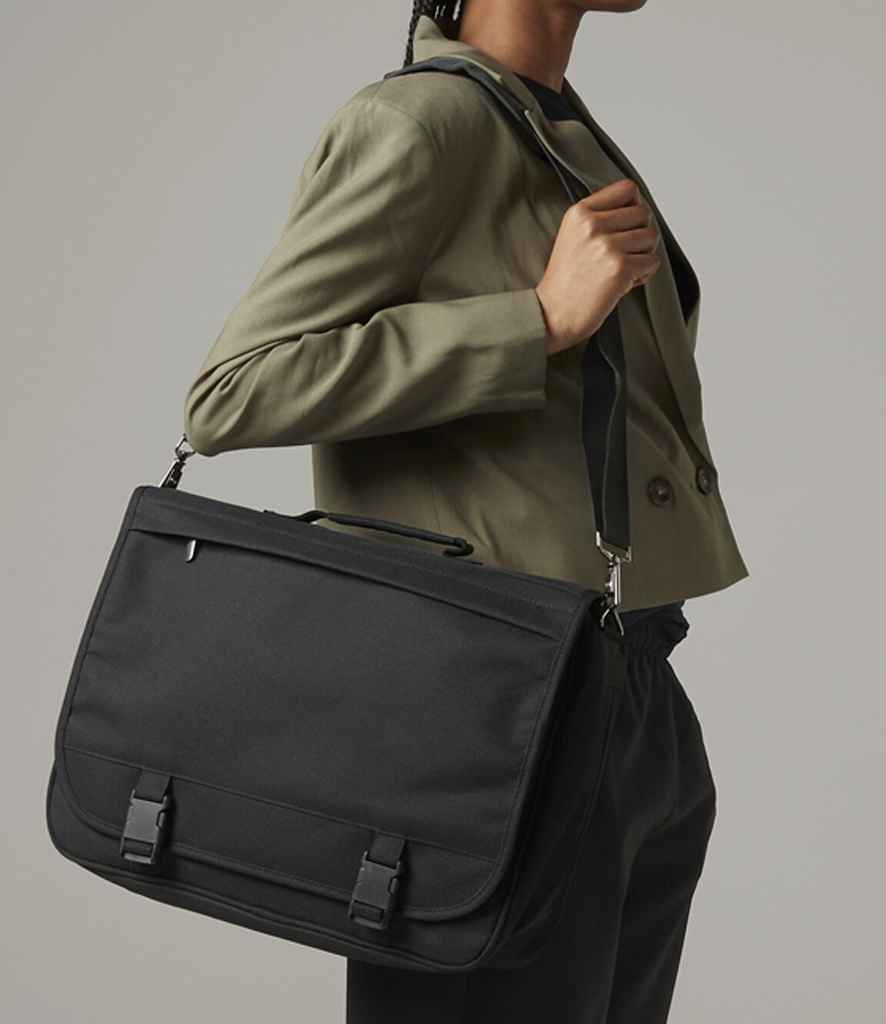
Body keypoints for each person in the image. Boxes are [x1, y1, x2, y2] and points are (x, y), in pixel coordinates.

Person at [182, 2, 750, 1020]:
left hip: (623, 677)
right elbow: (234, 391)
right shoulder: (420, 124)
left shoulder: (552, 121)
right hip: (485, 705)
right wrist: (534, 321)